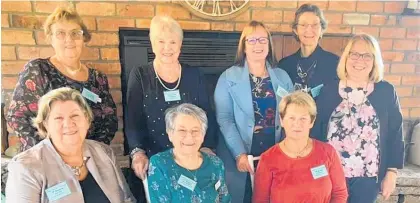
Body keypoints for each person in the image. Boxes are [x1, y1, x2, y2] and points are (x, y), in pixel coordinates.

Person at [125, 15, 217, 201]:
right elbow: (133, 119)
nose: (167, 48)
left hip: (191, 154)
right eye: (161, 41)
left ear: (180, 45)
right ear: (152, 44)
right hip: (154, 157)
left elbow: (207, 114)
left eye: (173, 42)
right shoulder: (141, 75)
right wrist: (137, 153)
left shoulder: (194, 75)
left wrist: (207, 146)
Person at [6, 6, 117, 153]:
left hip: (86, 159)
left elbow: (109, 121)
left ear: (84, 39)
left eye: (75, 33)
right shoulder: (38, 70)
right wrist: (52, 155)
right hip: (46, 160)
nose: (69, 39)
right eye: (60, 33)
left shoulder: (98, 78)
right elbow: (19, 117)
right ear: (50, 39)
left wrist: (87, 153)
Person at [312, 34, 404, 203]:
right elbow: (315, 134)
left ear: (375, 61)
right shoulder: (329, 90)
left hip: (368, 179)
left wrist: (392, 172)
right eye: (354, 54)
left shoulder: (386, 92)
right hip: (331, 175)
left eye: (367, 55)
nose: (359, 60)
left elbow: (395, 134)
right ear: (346, 58)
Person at [5, 87, 135, 203]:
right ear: (45, 124)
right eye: (58, 118)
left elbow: (126, 199)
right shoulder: (26, 167)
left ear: (87, 121)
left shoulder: (103, 152)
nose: (68, 123)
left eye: (75, 115)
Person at [214, 20, 293, 203]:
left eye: (262, 40)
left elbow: (290, 115)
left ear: (269, 44)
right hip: (239, 155)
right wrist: (239, 153)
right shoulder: (227, 77)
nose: (258, 45)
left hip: (274, 152)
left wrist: (285, 150)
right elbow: (224, 118)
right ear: (243, 46)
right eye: (252, 40)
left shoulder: (283, 77)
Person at [253, 91, 348, 203]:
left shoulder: (328, 153)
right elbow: (260, 200)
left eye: (303, 118)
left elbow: (340, 193)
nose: (297, 124)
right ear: (282, 120)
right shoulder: (268, 159)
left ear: (312, 121)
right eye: (291, 118)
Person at [147, 103, 230, 202]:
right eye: (182, 130)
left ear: (203, 135)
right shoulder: (160, 164)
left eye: (195, 131)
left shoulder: (215, 163)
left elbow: (225, 199)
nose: (189, 137)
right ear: (170, 133)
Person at [277, 4, 339, 95]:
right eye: (303, 25)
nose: (309, 30)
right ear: (295, 30)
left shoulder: (335, 63)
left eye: (315, 25)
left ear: (321, 29)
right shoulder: (284, 66)